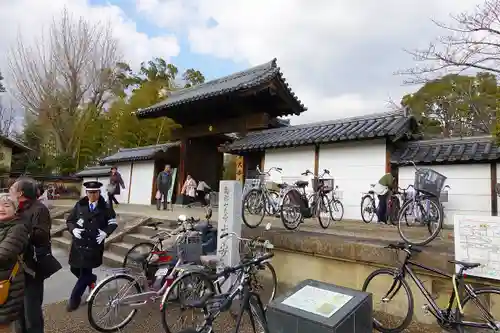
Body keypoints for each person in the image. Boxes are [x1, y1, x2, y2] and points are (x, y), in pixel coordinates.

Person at [66, 181, 117, 312]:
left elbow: (112, 223)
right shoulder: (80, 205)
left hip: (93, 245)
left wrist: (106, 232)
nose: (92, 195)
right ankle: (91, 280)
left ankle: (74, 300)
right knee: (74, 269)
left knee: (85, 273)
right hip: (79, 244)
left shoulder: (105, 207)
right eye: (90, 192)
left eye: (95, 192)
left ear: (99, 192)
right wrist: (73, 230)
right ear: (86, 192)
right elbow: (70, 220)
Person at [11, 178, 53, 333]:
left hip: (32, 267)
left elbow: (42, 236)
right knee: (18, 311)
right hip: (15, 269)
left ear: (20, 193)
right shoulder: (16, 209)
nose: (9, 191)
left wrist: (20, 231)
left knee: (31, 312)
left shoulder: (39, 209)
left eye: (12, 188)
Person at [0, 195, 29, 333]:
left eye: (6, 205)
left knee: (4, 326)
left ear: (15, 209)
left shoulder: (18, 228)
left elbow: (3, 254)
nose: (1, 209)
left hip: (7, 287)